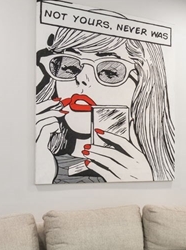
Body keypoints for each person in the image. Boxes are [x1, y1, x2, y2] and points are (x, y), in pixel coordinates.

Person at [35, 21, 174, 183]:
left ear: (142, 85)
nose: (82, 78)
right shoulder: (42, 161)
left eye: (109, 72)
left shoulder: (155, 174)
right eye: (70, 67)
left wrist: (140, 182)